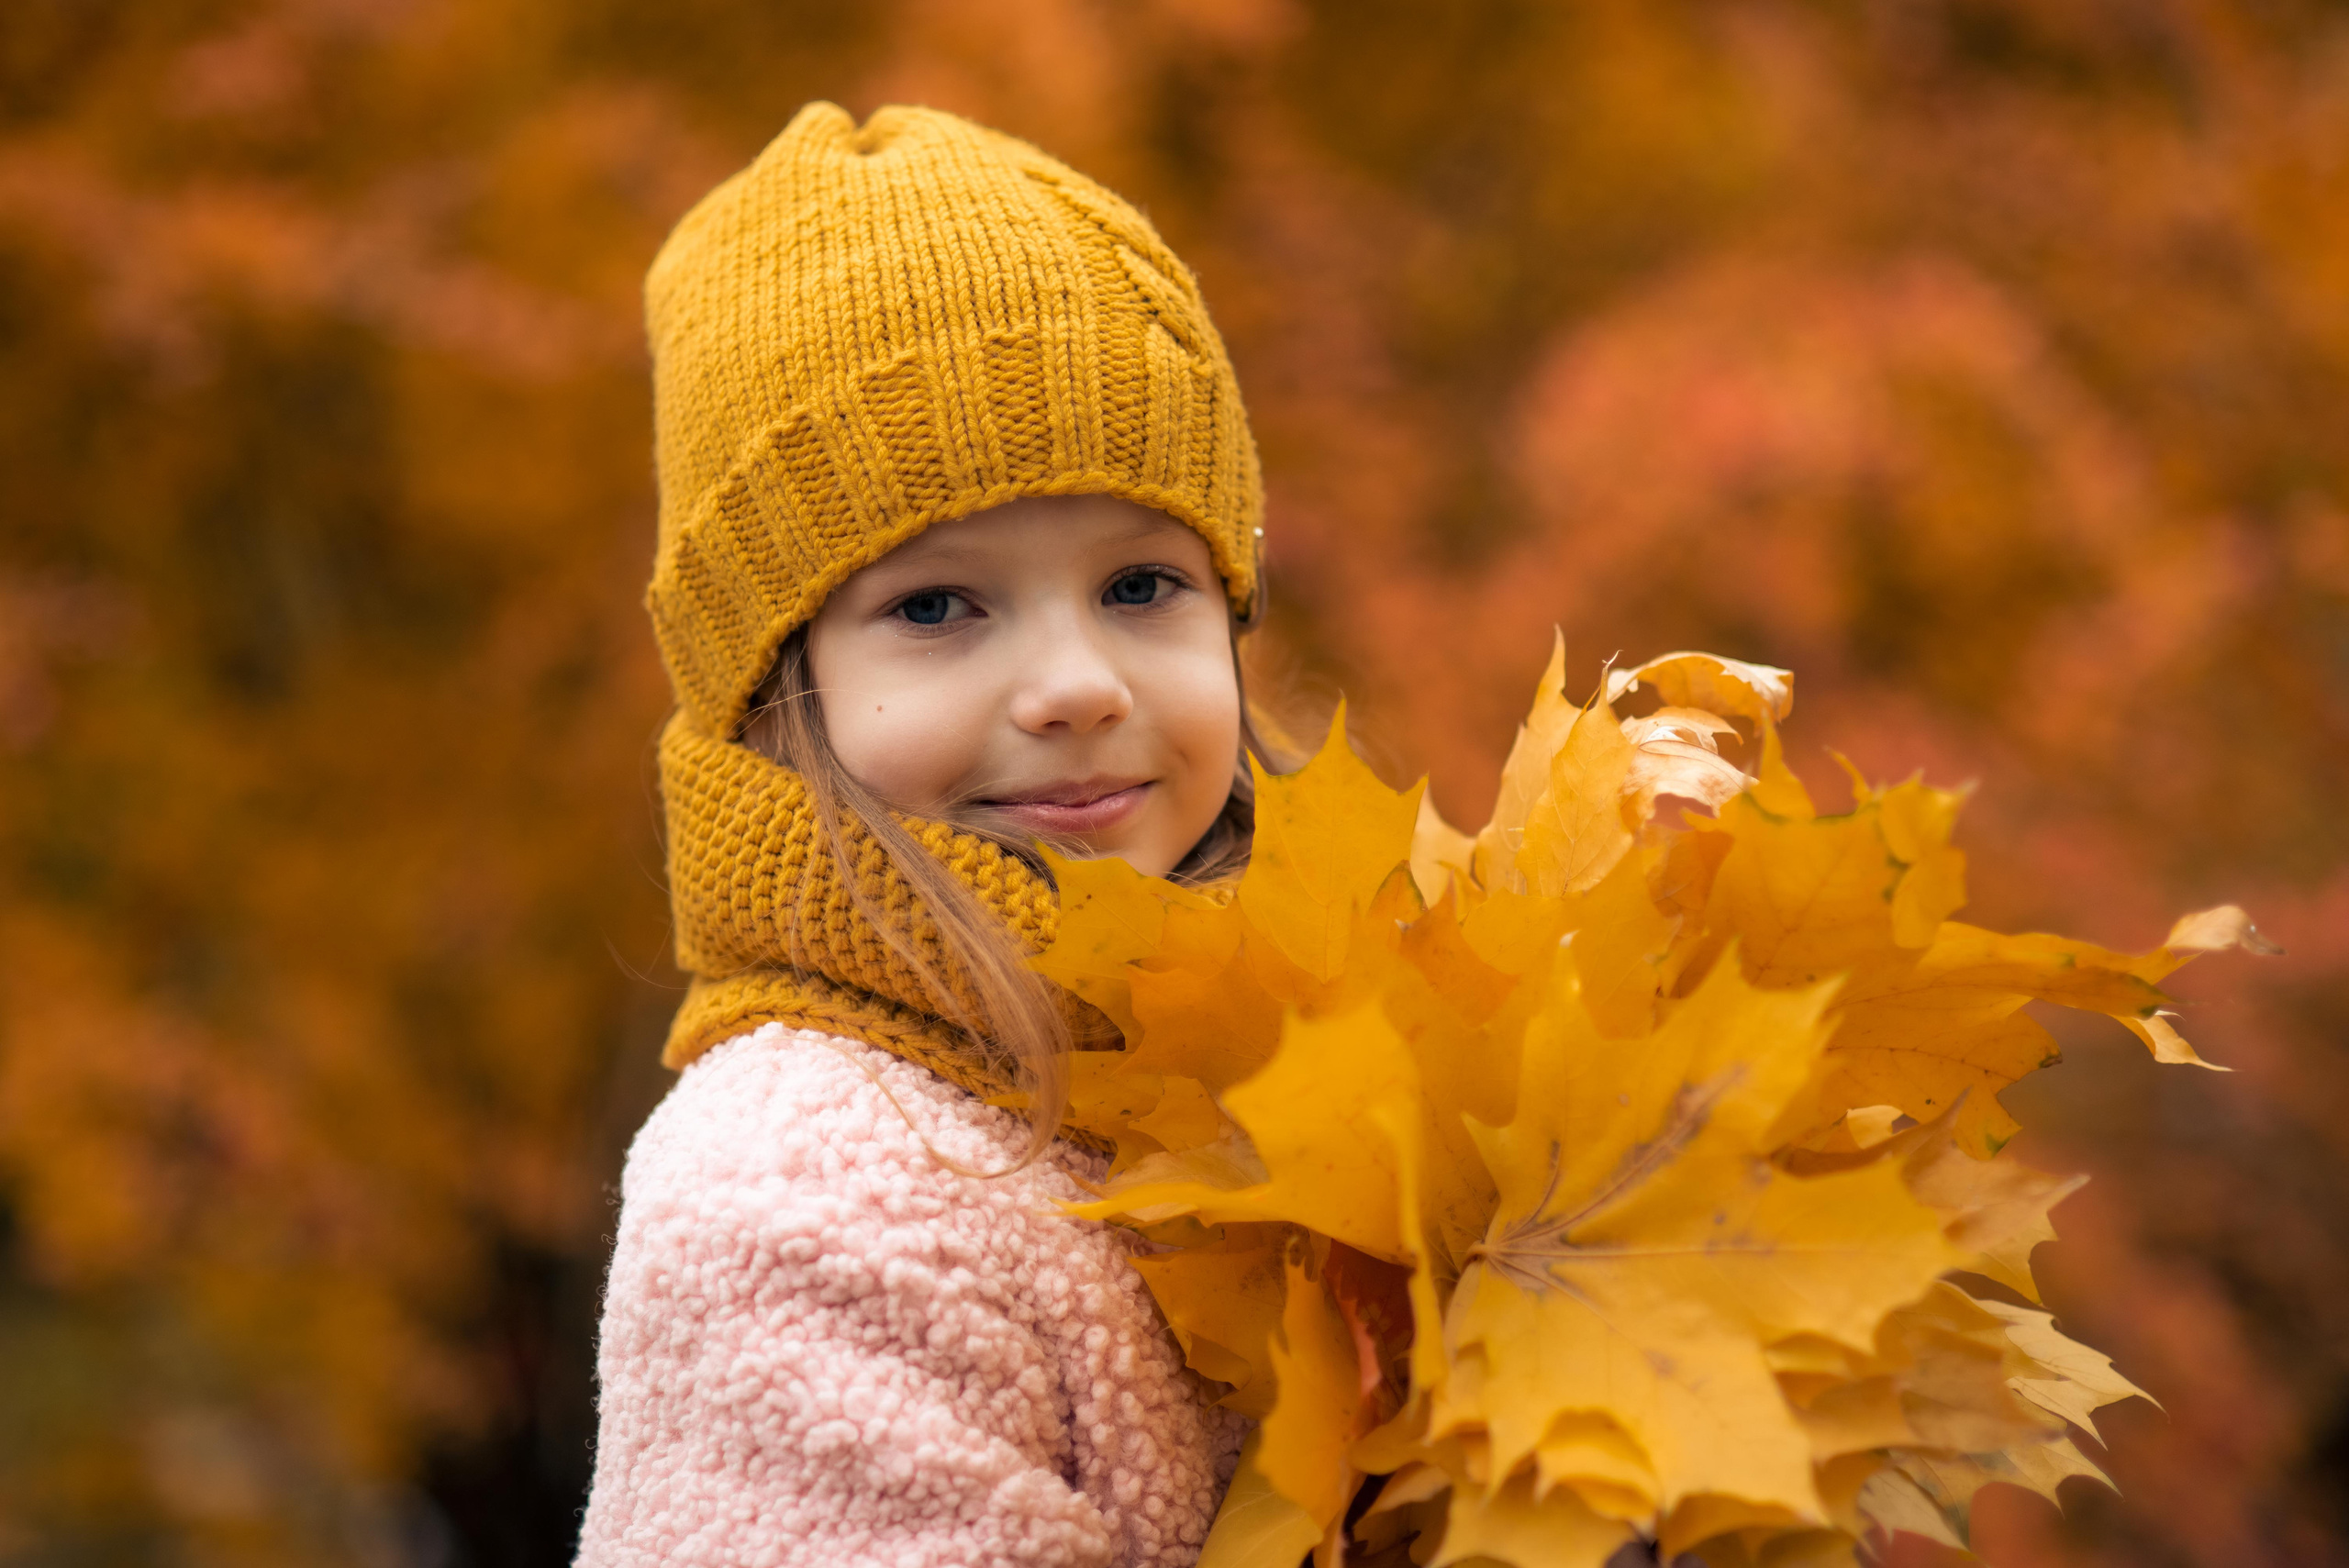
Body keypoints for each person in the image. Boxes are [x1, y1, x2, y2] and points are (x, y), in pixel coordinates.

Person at [577, 102, 1296, 1568]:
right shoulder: (807, 1196)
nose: (1079, 682)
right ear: (786, 683)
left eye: (1145, 584)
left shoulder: (1333, 1051)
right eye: (936, 606)